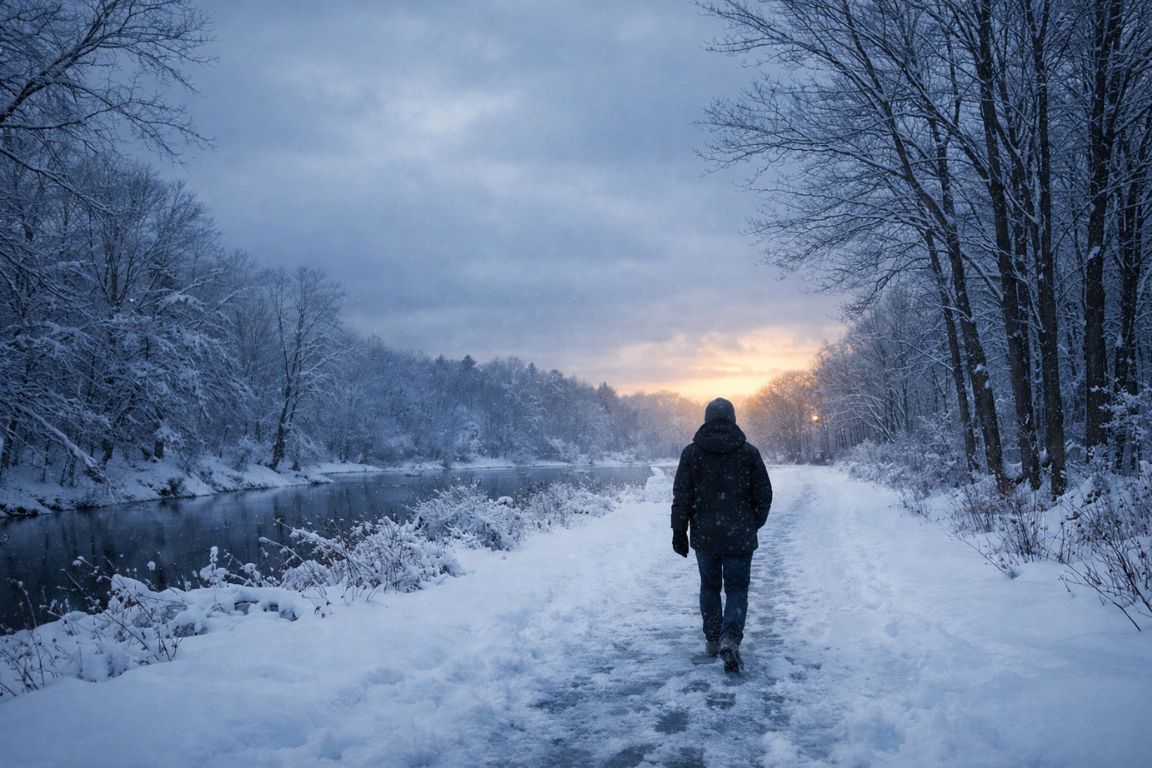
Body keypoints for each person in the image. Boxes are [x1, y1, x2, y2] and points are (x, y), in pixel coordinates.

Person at [671, 397, 772, 673]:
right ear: (732, 419)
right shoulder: (748, 453)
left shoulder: (691, 453)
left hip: (705, 536)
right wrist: (751, 523)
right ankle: (730, 636)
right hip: (739, 534)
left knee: (710, 587)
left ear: (706, 419)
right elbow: (764, 496)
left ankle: (714, 640)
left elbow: (682, 496)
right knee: (737, 589)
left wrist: (679, 530)